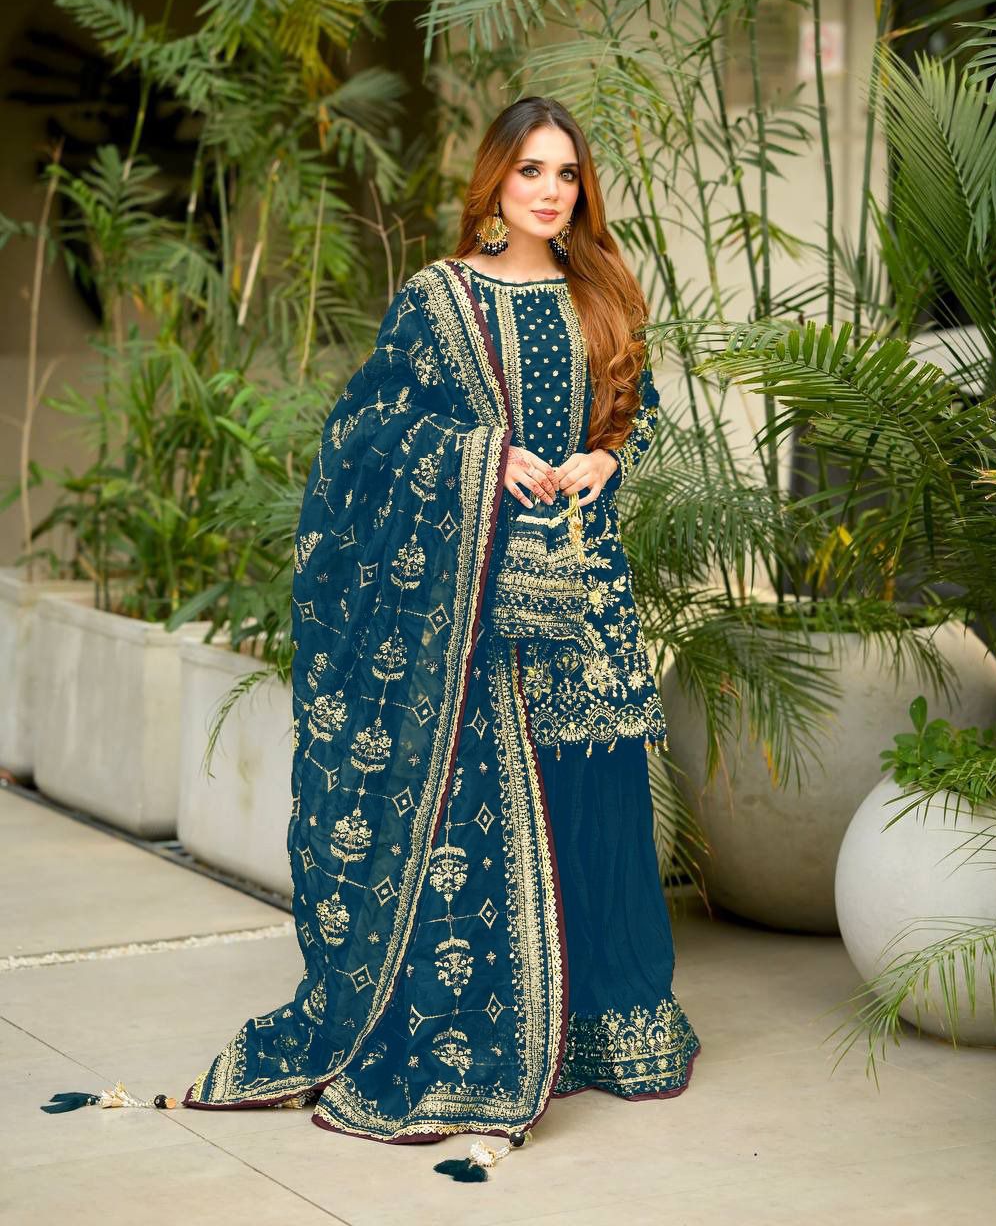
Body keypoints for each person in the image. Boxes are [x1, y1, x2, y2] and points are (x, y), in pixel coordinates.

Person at [45, 96, 700, 1177]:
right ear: (493, 181)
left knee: (595, 790)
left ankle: (609, 1026)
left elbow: (637, 410)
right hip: (475, 605)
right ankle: (485, 1029)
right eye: (530, 170)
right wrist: (481, 458)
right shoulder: (439, 300)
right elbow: (365, 431)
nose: (549, 191)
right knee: (500, 805)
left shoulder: (601, 291)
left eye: (567, 174)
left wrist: (604, 458)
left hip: (583, 582)